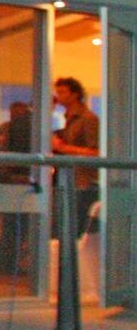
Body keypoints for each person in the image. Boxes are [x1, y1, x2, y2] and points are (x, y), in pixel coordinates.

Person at [52, 76, 100, 237]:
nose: (58, 96)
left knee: (76, 229)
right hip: (72, 180)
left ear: (75, 94)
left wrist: (62, 147)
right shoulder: (69, 118)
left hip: (84, 182)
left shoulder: (88, 119)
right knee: (67, 228)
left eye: (62, 92)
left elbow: (96, 153)